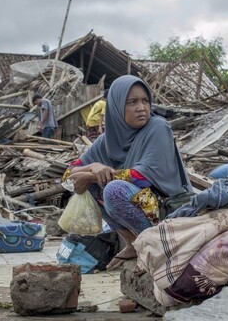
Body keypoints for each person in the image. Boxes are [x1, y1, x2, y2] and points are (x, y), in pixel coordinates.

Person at [65, 75, 192, 269]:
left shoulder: (158, 127)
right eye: (132, 102)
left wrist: (93, 174)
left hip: (170, 208)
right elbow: (67, 176)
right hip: (142, 207)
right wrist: (91, 168)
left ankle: (155, 245)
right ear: (116, 107)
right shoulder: (106, 140)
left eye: (145, 101)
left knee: (113, 190)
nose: (141, 108)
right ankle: (133, 242)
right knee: (93, 185)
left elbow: (142, 178)